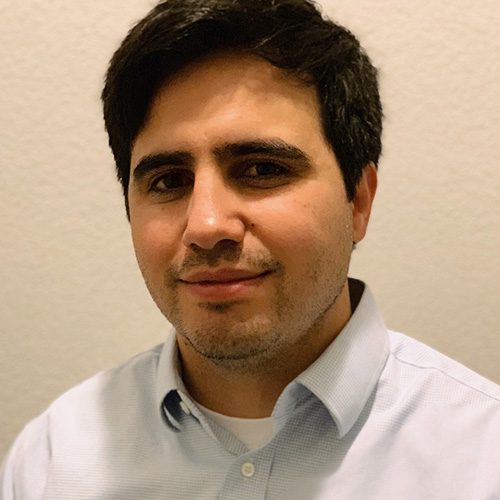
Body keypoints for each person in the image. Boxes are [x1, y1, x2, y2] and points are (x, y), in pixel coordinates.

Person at [1, 0, 499, 498]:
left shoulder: (482, 455)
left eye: (262, 169)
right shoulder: (51, 459)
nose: (207, 225)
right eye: (169, 180)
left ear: (359, 202)